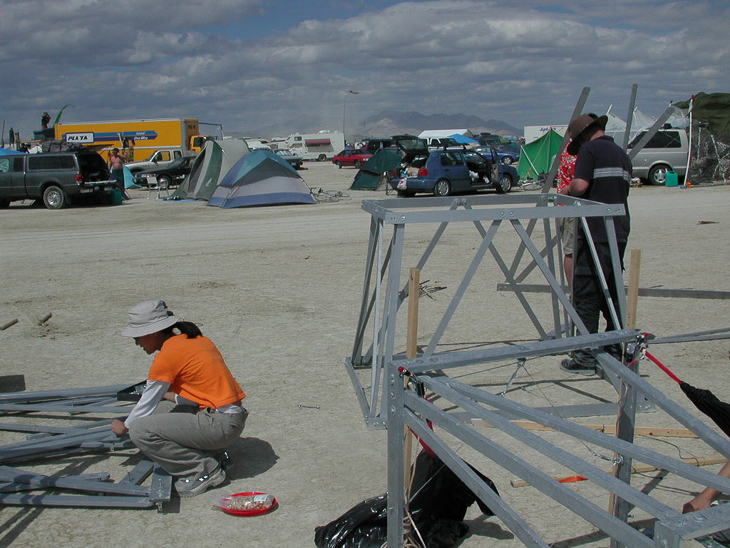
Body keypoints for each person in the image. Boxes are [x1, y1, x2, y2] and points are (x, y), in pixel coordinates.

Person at [112, 300, 248, 498]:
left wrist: (125, 426)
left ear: (153, 332)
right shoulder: (194, 340)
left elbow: (146, 402)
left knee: (140, 430)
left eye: (137, 337)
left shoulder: (167, 356)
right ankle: (214, 453)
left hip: (221, 425)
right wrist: (172, 397)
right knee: (162, 410)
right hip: (228, 419)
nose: (136, 343)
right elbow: (200, 393)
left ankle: (202, 470)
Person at [559, 113, 632, 376]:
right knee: (611, 288)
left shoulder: (590, 150)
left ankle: (585, 355)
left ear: (582, 137)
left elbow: (580, 186)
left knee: (586, 290)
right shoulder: (620, 153)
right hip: (618, 228)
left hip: (594, 229)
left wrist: (566, 191)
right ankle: (614, 347)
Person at [556, 143, 577, 287]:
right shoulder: (574, 150)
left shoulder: (571, 148)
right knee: (571, 251)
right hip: (570, 207)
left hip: (566, 207)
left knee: (572, 250)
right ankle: (574, 291)